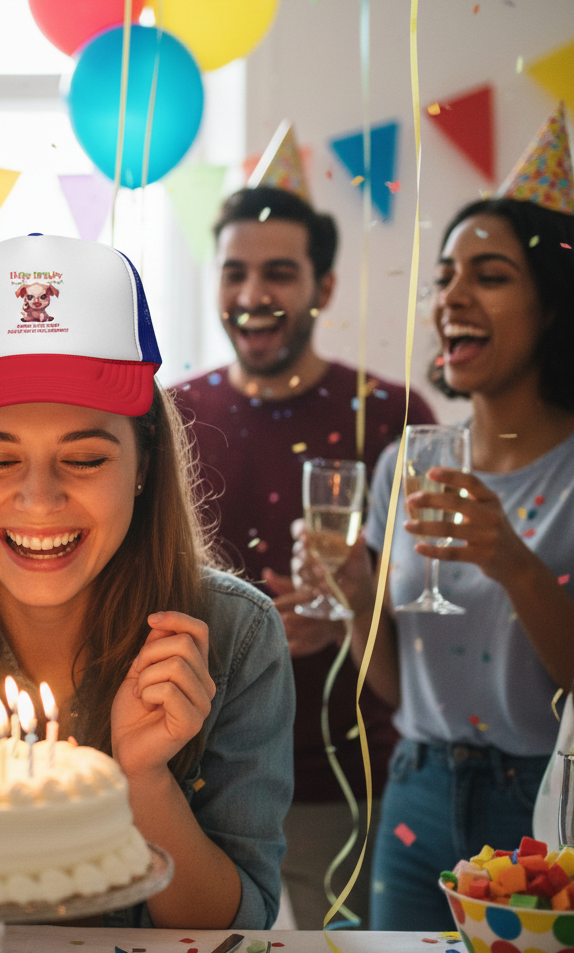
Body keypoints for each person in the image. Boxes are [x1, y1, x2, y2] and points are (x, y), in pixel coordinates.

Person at [0, 233, 295, 929]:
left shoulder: (235, 638)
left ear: (143, 463)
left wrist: (143, 780)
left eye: (87, 459)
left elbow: (231, 926)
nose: (40, 501)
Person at [317, 106, 574, 928]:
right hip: (416, 789)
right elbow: (400, 688)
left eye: (489, 276)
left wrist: (515, 562)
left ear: (553, 307)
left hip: (542, 800)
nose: (452, 295)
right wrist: (359, 599)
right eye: (444, 277)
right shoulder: (408, 464)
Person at [174, 125, 436, 929]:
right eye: (236, 272)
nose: (254, 293)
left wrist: (352, 615)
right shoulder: (171, 415)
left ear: (322, 287)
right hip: (192, 776)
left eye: (280, 273)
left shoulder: (396, 416)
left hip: (353, 776)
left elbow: (439, 616)